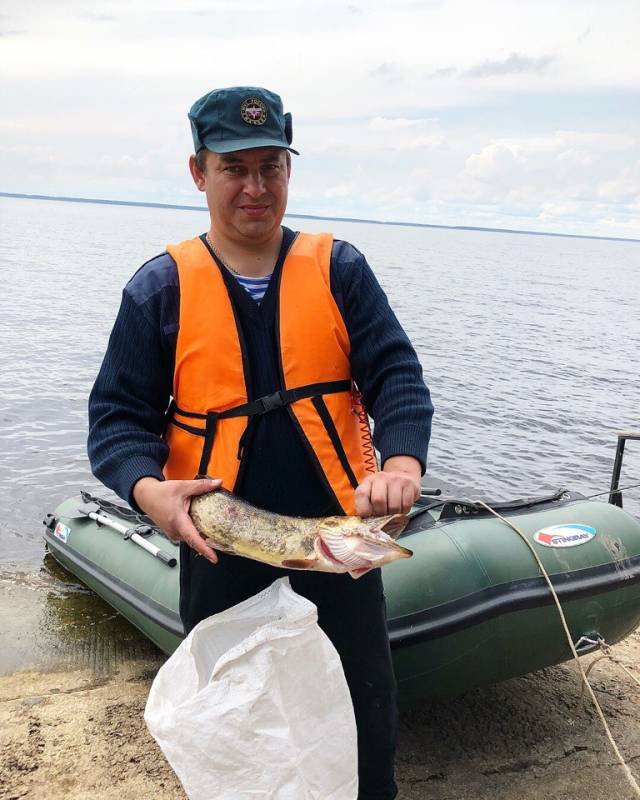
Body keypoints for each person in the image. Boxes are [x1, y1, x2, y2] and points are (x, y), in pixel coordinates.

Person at [88, 85, 433, 800]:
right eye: (234, 168)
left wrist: (400, 462)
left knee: (363, 721)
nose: (255, 187)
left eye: (271, 167)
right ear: (198, 172)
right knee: (238, 736)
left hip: (340, 550)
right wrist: (149, 491)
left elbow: (397, 374)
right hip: (218, 552)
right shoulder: (159, 290)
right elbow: (117, 419)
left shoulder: (341, 270)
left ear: (288, 170)